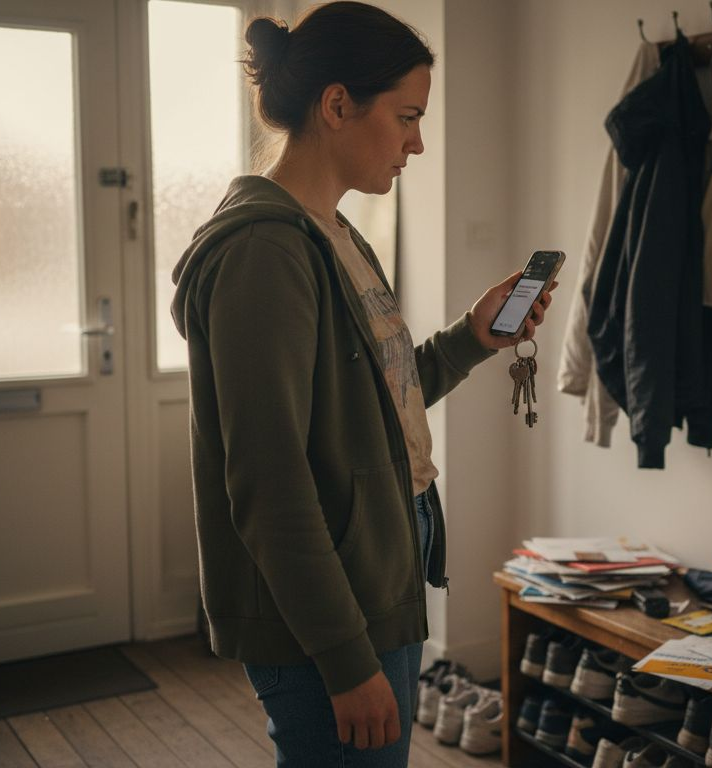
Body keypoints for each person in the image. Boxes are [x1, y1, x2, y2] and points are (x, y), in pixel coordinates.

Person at [169, 3, 555, 766]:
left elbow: (370, 407)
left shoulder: (336, 235)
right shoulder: (264, 256)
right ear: (337, 105)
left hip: (381, 560)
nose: (418, 141)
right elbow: (269, 484)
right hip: (327, 602)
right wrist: (346, 660)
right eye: (407, 116)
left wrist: (473, 338)